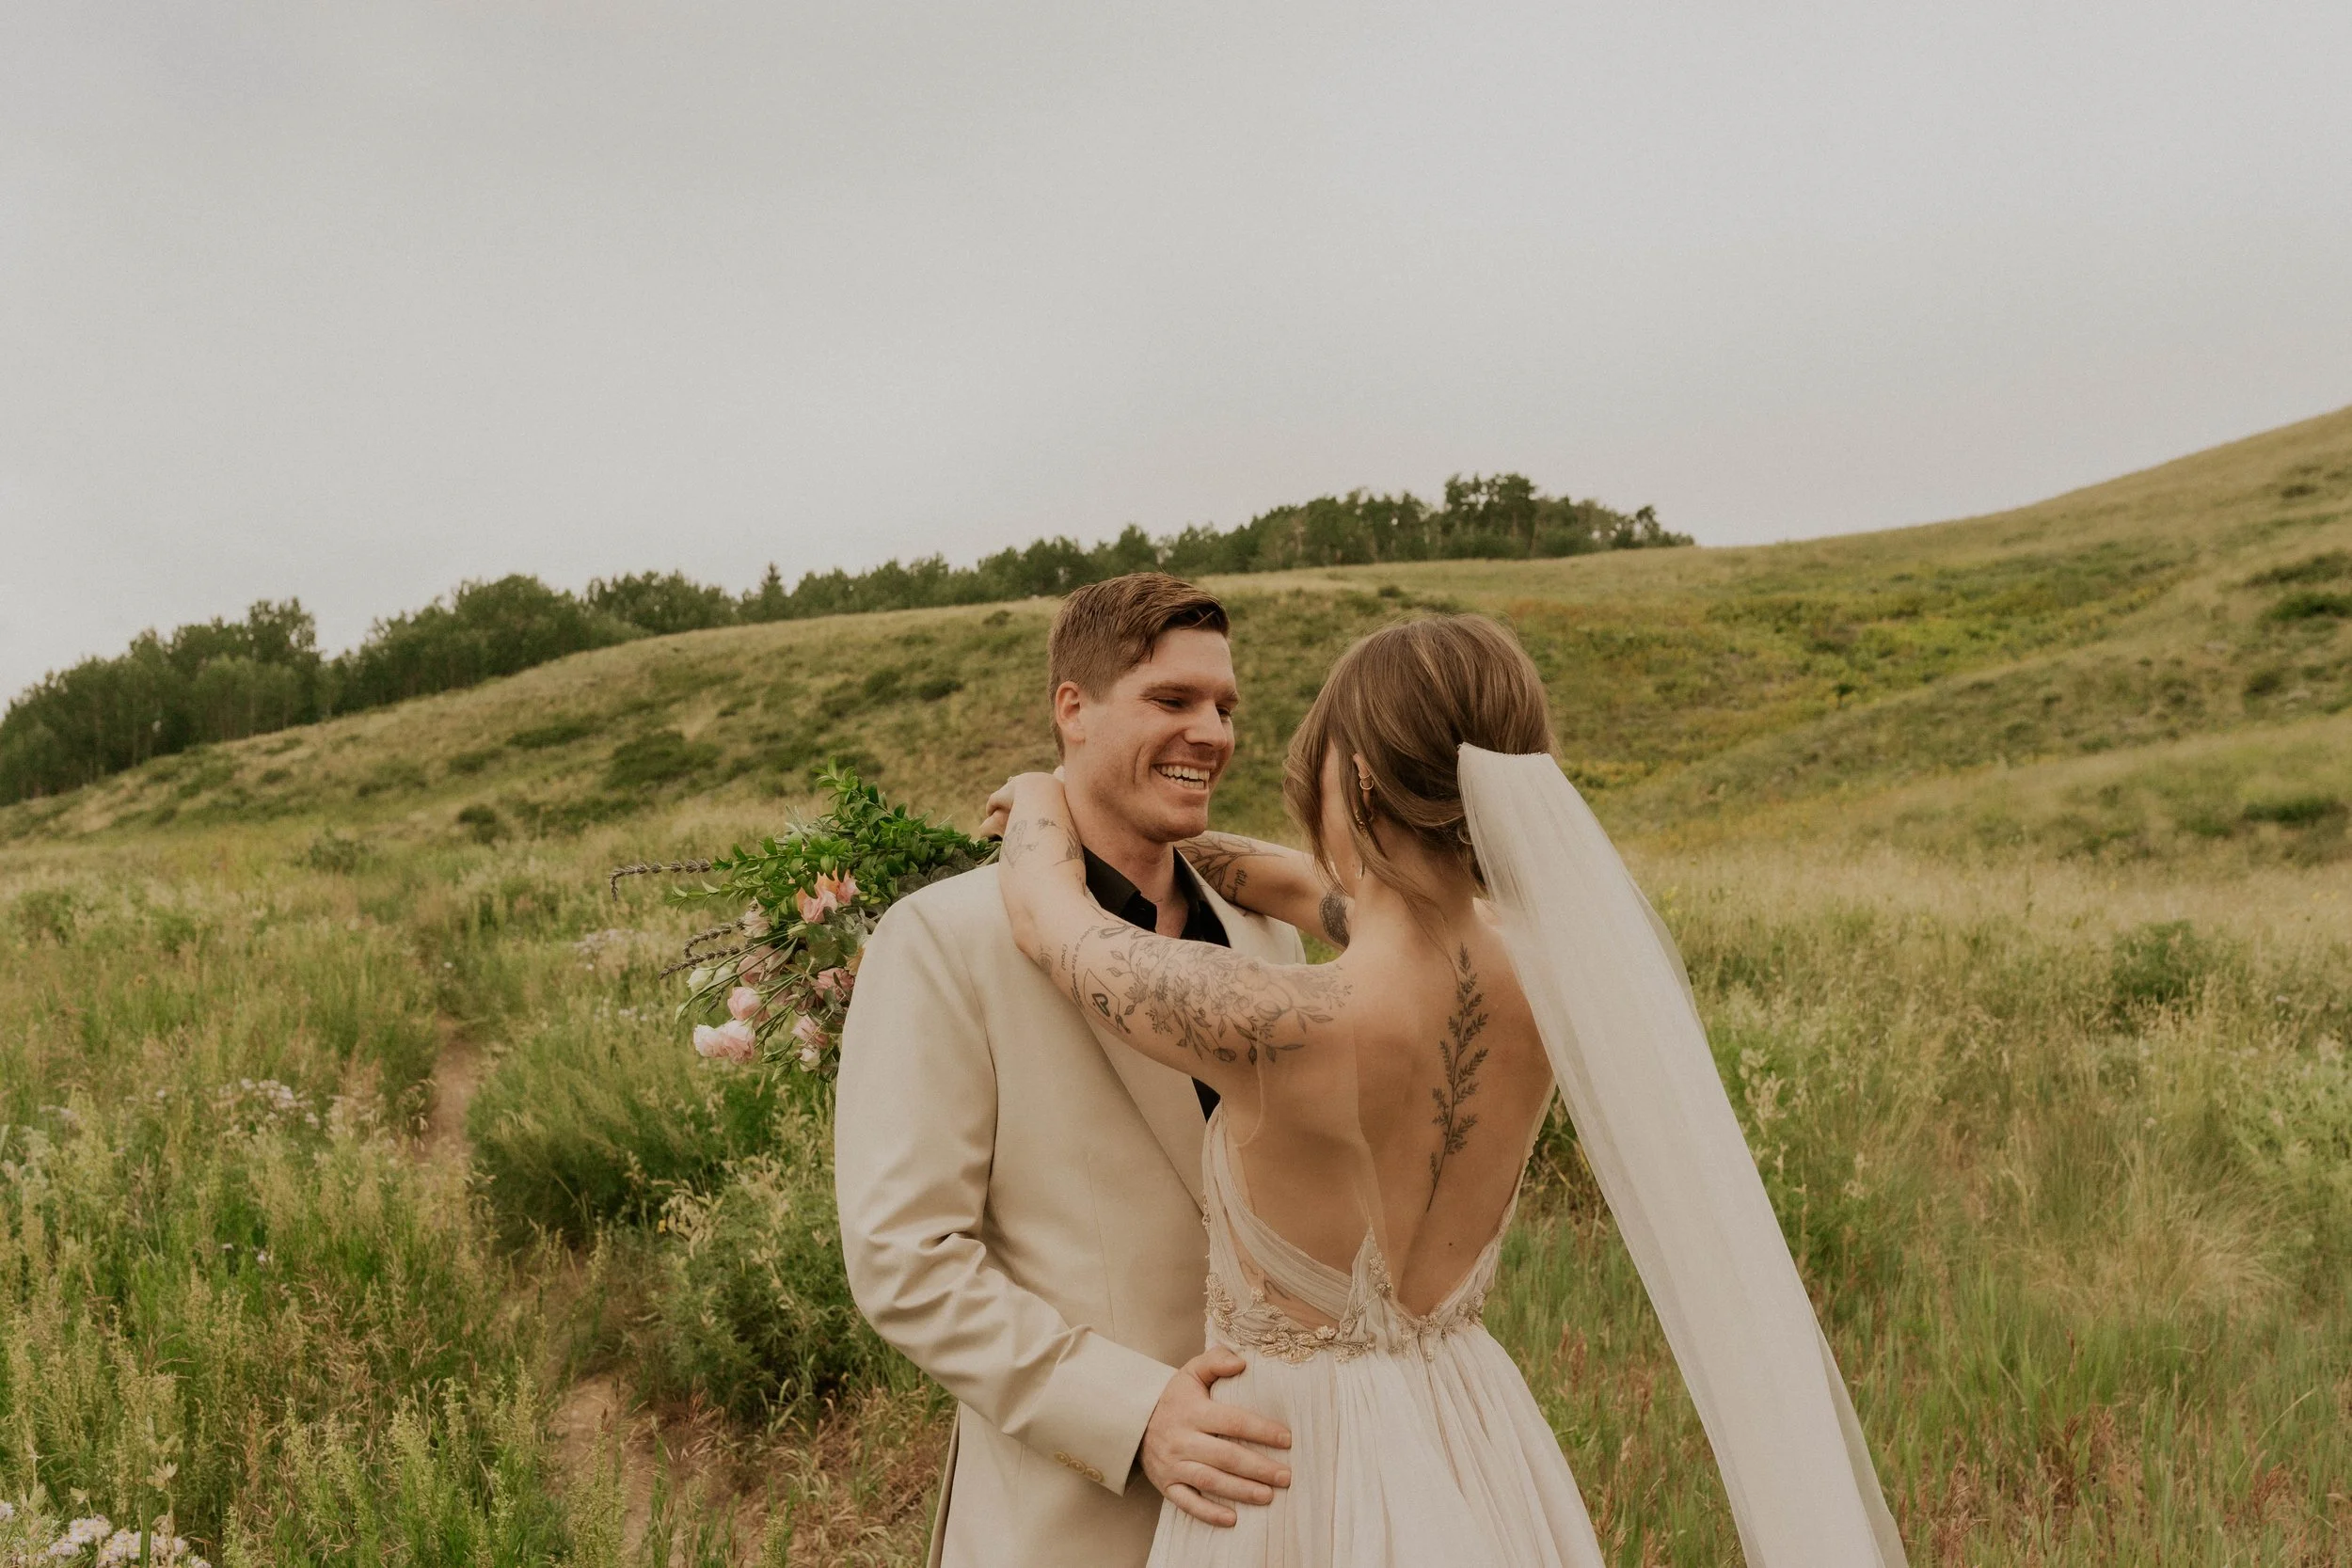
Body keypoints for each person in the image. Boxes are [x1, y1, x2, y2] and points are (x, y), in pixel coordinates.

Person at [991, 612, 1909, 1566]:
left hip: (1294, 1461)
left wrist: (1045, 796)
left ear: (1354, 779)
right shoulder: (1547, 967)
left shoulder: (1280, 1020)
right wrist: (1191, 836)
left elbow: (1050, 916)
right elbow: (1331, 896)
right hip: (1472, 1422)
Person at [834, 574, 1305, 1568]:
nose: (1211, 733)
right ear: (1072, 709)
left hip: (1288, 1493)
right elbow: (904, 1253)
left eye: (1224, 707)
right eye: (1172, 701)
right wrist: (1130, 1413)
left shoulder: (1269, 936)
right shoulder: (941, 939)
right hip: (1075, 1517)